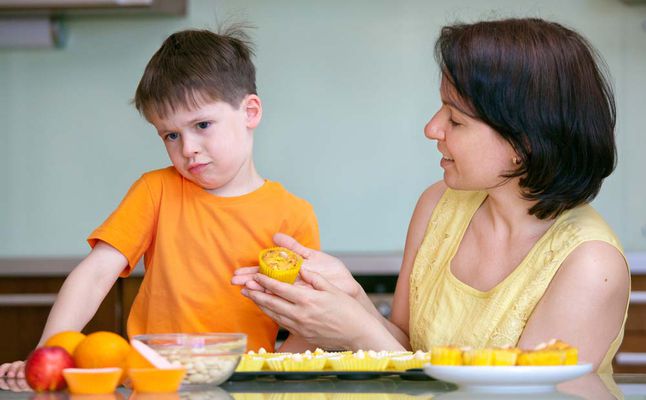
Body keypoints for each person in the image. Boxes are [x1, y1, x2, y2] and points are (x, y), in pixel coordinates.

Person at [232, 18, 629, 373]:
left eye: (455, 119)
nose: (432, 128)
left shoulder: (590, 265)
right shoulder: (439, 204)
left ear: (523, 142)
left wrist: (356, 332)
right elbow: (407, 347)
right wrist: (350, 298)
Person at [0, 27, 320, 378]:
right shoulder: (156, 191)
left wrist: (269, 373)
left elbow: (310, 321)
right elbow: (94, 275)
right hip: (153, 381)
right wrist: (50, 352)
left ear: (250, 112)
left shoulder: (293, 216)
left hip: (242, 385)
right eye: (171, 135)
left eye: (202, 124)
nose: (187, 149)